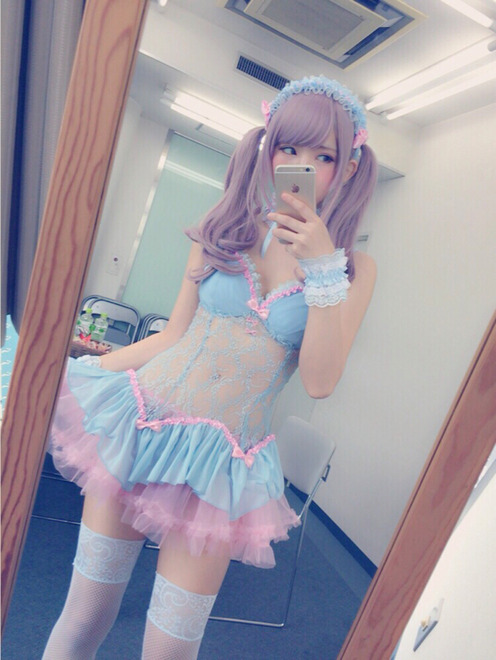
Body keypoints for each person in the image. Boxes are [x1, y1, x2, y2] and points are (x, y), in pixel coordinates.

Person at [43, 75, 378, 659]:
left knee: (170, 649)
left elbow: (321, 381)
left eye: (323, 156)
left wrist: (323, 268)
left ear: (348, 167)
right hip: (143, 424)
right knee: (86, 612)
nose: (300, 165)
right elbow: (172, 336)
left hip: (223, 466)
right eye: (288, 148)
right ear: (268, 149)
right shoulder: (225, 229)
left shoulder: (354, 269)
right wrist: (58, 376)